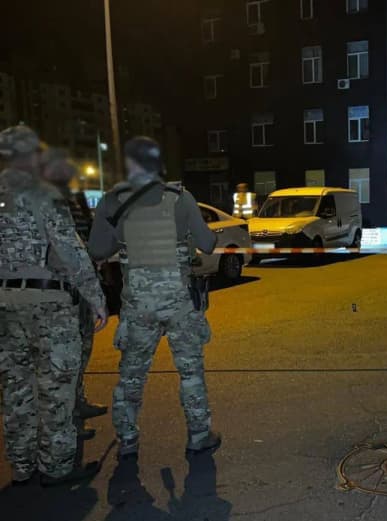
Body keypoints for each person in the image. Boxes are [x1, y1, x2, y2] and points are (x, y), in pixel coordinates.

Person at [87, 136, 221, 460]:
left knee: (131, 376)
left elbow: (97, 250)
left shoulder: (112, 201)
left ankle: (127, 440)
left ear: (128, 163)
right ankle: (199, 436)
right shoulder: (180, 198)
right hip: (179, 303)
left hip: (138, 306)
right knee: (190, 372)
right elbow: (207, 244)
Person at [0, 125, 108, 486]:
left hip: (4, 305)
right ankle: (56, 466)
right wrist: (96, 297)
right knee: (55, 387)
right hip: (48, 303)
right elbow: (70, 250)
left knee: (15, 387)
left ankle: (21, 464)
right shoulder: (42, 193)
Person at [40, 148, 108, 438]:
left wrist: (95, 261)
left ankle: (77, 402)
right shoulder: (46, 201)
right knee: (59, 361)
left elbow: (87, 235)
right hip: (59, 288)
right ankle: (65, 422)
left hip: (81, 282)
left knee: (82, 347)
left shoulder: (75, 199)